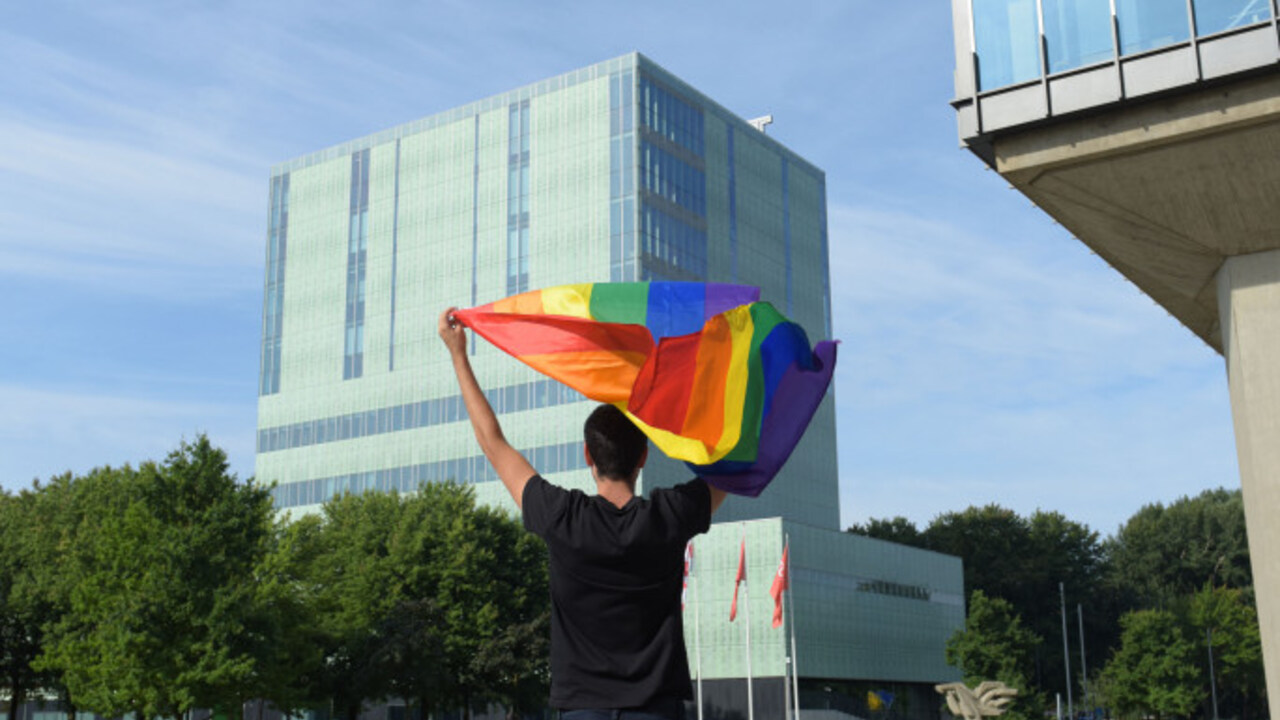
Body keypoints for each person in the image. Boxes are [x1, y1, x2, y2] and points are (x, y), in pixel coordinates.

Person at [439, 308, 728, 720]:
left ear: (588, 454)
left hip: (581, 708)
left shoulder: (561, 516)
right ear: (643, 456)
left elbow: (493, 442)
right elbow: (735, 466)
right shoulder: (671, 515)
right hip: (656, 710)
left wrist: (458, 353)